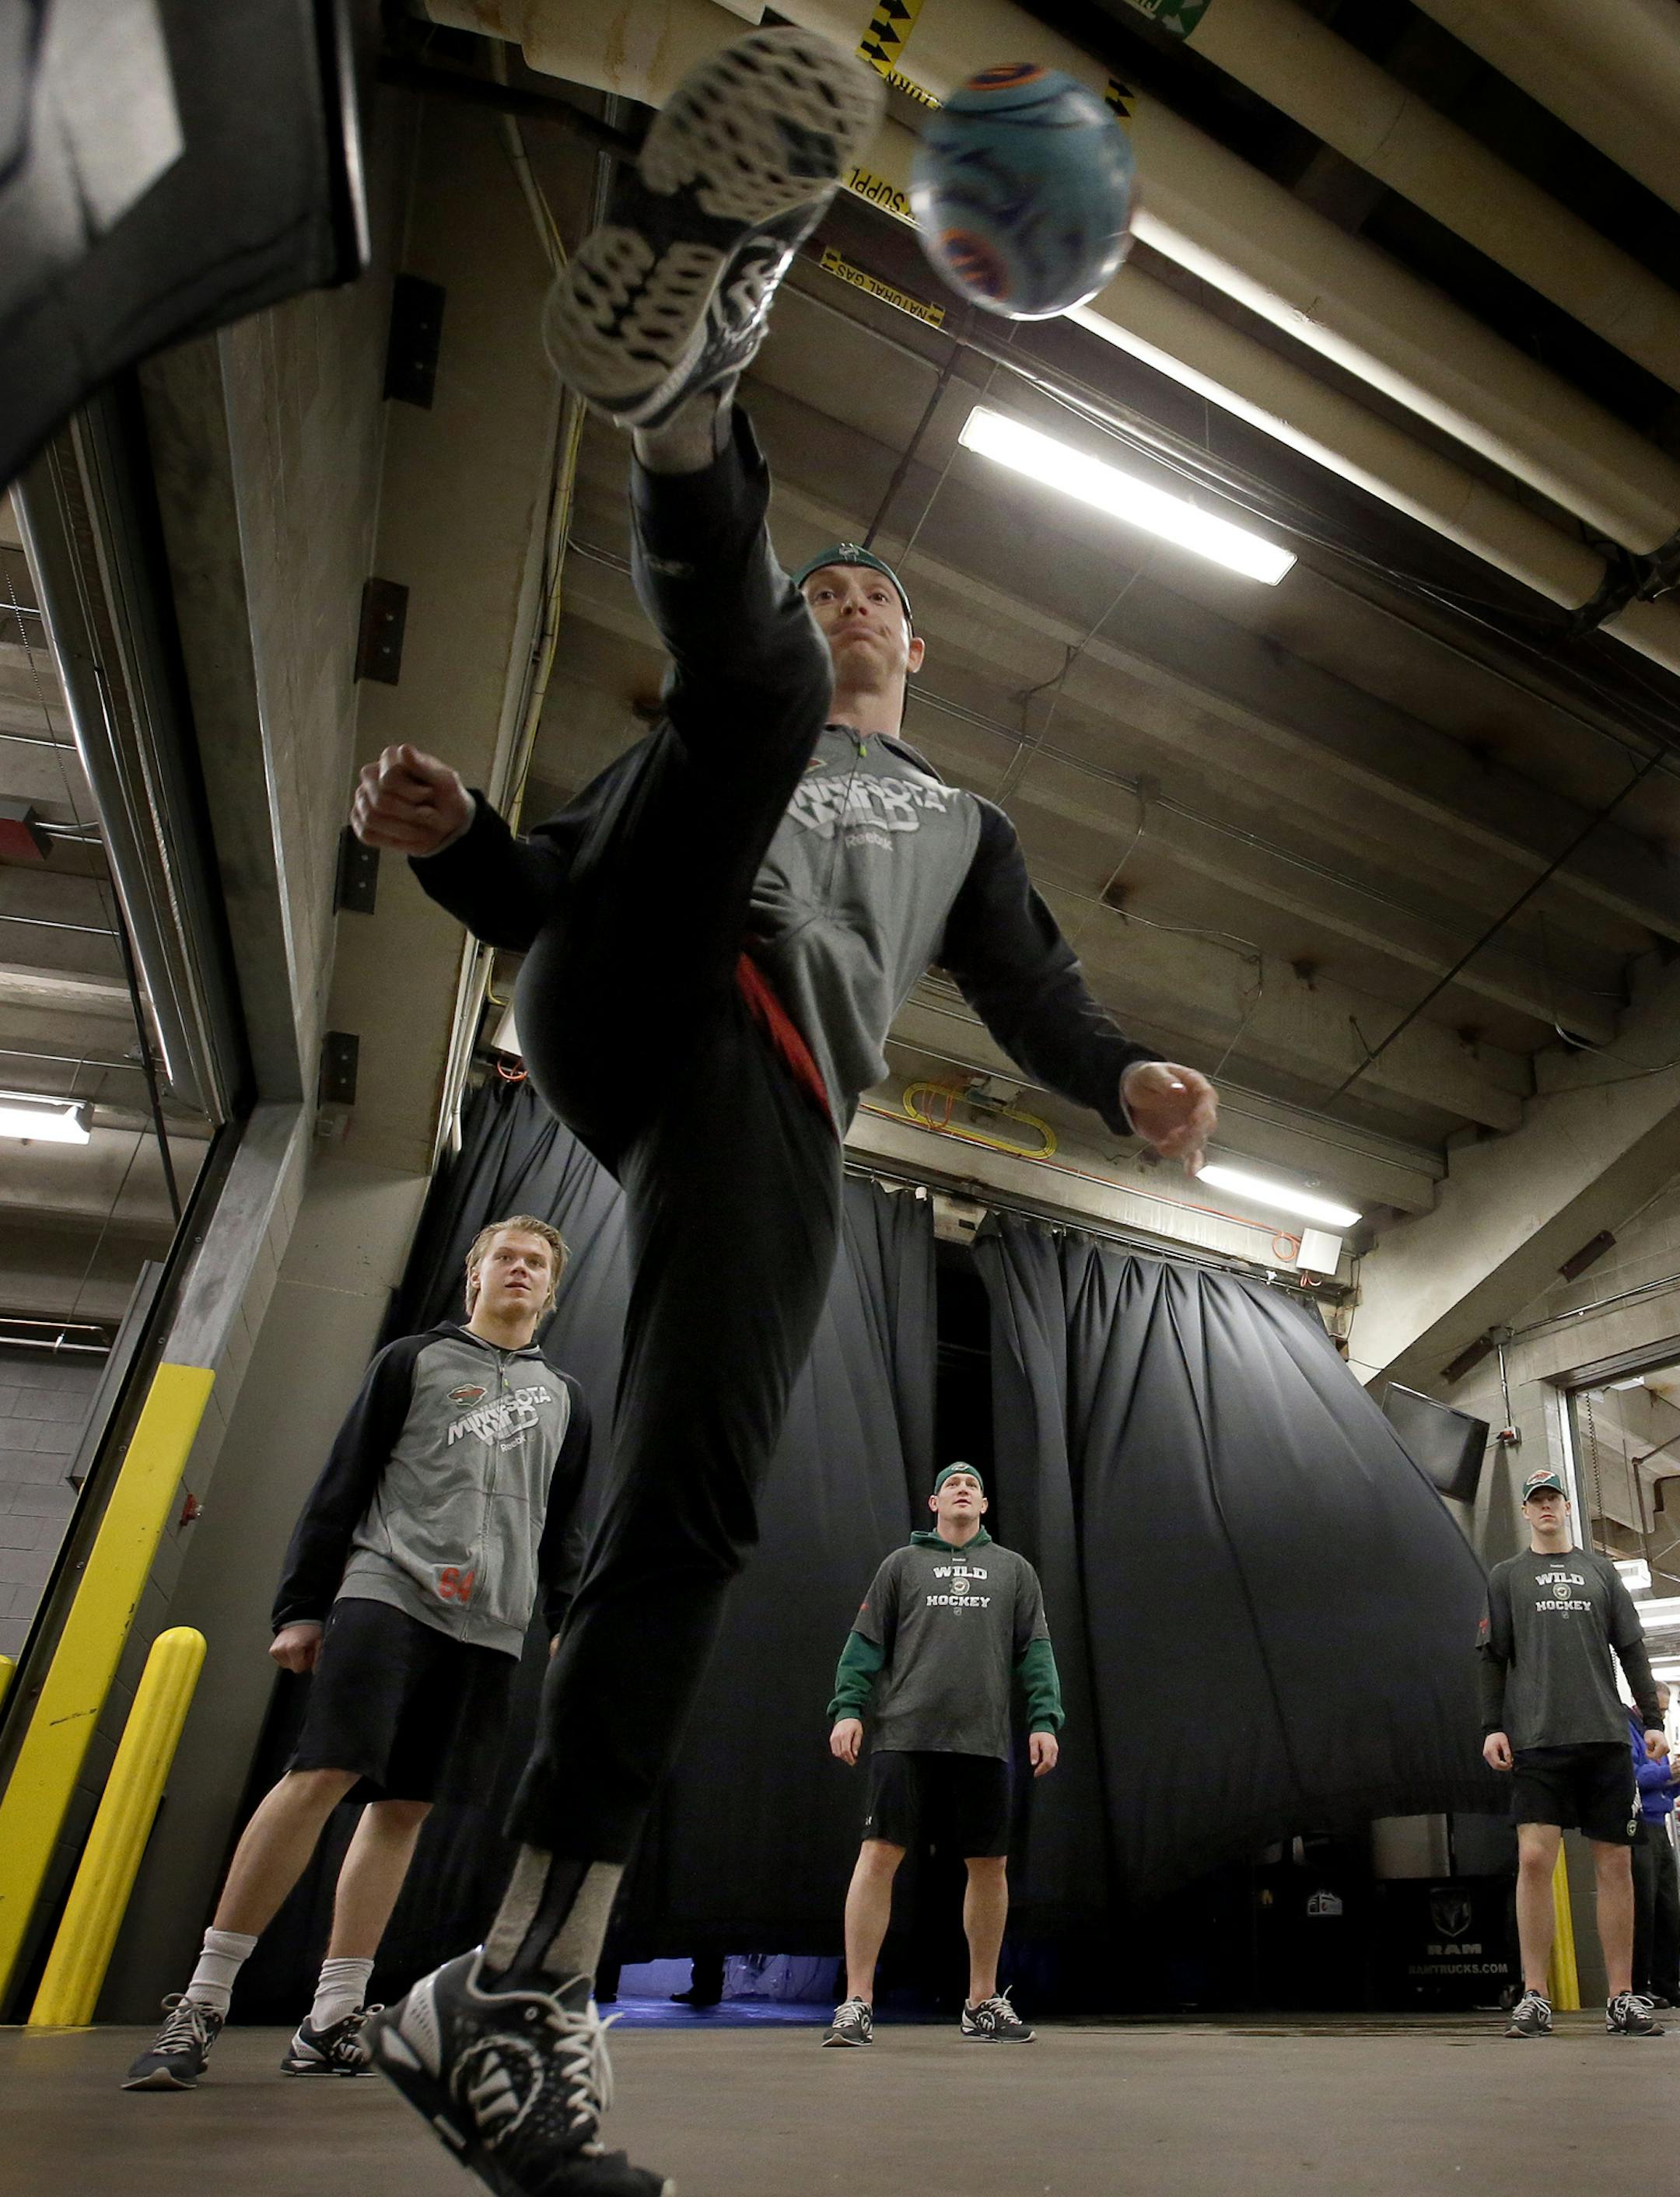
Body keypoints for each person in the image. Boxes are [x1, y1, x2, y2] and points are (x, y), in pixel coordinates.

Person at [349, 26, 1217, 2197]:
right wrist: (460, 843)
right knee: (722, 694)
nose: (850, 606)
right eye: (823, 585)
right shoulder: (721, 724)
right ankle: (692, 392)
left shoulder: (954, 809)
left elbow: (1033, 991)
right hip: (627, 978)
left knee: (695, 1507)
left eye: (869, 599)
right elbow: (552, 884)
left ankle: (516, 1978)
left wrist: (1125, 1077)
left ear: (911, 644)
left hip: (764, 1097)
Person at [121, 1216, 589, 2090]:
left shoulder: (565, 1395)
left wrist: (564, 1617)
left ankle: (332, 2015)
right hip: (389, 1589)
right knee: (321, 1773)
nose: (520, 1269)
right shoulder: (413, 1360)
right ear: (474, 1276)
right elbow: (343, 1479)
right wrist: (302, 1604)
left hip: (489, 1624)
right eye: (506, 1257)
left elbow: (563, 1526)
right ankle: (204, 1999)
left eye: (536, 1262)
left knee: (406, 1806)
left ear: (551, 1289)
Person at [823, 1464, 1061, 2048]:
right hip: (904, 1736)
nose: (962, 1488)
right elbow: (865, 1644)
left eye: (973, 1484)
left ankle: (981, 2000)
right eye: (952, 1483)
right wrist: (848, 1708)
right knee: (878, 1856)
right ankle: (857, 2001)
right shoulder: (901, 1566)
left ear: (984, 1504)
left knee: (989, 1865)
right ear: (934, 1501)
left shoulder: (1014, 1570)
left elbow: (1036, 1650)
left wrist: (1044, 1719)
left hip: (981, 1741)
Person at [1478, 1466, 1668, 2039]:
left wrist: (1653, 1719)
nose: (1545, 1508)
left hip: (1606, 1737)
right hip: (1538, 1738)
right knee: (1535, 1859)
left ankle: (1620, 1995)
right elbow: (1491, 1655)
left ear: (1566, 1507)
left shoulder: (1600, 1571)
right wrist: (1492, 1725)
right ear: (1526, 1511)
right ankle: (1535, 1994)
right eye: (1535, 1500)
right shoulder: (1507, 1576)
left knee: (1615, 1863)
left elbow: (1632, 1649)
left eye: (1553, 1499)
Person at [1630, 1683, 1680, 2009]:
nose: (1660, 1717)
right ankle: (1638, 1984)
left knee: (1669, 1908)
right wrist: (1665, 1776)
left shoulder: (1653, 1737)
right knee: (1644, 1909)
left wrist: (1675, 1779)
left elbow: (1661, 1787)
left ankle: (1667, 1981)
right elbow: (1631, 1776)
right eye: (1658, 1711)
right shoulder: (1627, 1733)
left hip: (1660, 1825)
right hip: (1640, 1827)